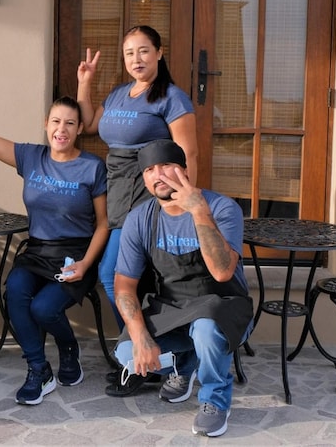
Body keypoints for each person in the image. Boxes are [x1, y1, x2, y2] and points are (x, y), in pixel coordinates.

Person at [0, 56, 109, 405]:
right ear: (46, 124)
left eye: (70, 123)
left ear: (79, 129)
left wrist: (86, 264)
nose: (62, 129)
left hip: (77, 253)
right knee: (15, 291)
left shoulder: (92, 167)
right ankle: (39, 369)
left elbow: (104, 223)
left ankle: (68, 348)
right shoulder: (31, 157)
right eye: (56, 121)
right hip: (39, 251)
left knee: (43, 309)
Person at [107, 139, 252, 438]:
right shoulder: (140, 219)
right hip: (172, 308)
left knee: (206, 329)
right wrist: (141, 337)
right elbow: (124, 286)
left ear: (185, 170)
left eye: (166, 165)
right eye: (149, 169)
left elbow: (223, 272)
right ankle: (185, 365)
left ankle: (215, 399)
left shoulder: (222, 207)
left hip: (223, 304)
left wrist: (199, 211)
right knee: (127, 353)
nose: (158, 175)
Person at [77, 25, 199, 331]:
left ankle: (137, 344)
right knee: (129, 277)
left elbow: (188, 154)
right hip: (118, 191)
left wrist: (183, 203)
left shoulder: (172, 97)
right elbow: (89, 125)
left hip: (149, 193)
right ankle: (143, 344)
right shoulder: (119, 93)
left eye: (144, 51)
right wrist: (85, 82)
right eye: (129, 53)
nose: (137, 59)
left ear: (159, 53)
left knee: (112, 274)